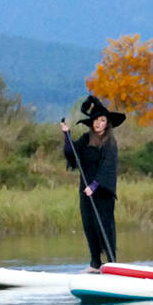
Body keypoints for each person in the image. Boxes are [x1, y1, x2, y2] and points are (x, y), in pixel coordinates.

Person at [62, 95, 123, 271]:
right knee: (89, 226)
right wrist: (67, 135)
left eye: (102, 120)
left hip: (102, 192)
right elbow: (71, 153)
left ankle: (111, 262)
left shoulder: (110, 143)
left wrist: (95, 186)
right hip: (85, 190)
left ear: (107, 123)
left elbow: (107, 168)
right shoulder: (85, 139)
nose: (98, 123)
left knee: (104, 226)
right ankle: (95, 263)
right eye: (96, 120)